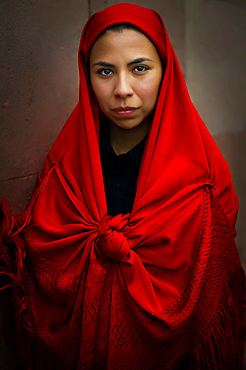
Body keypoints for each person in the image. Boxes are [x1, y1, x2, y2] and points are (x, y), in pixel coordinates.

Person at [0, 3, 245, 369]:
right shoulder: (65, 167)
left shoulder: (203, 180)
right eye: (105, 72)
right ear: (87, 75)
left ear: (167, 71)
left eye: (140, 69)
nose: (122, 90)